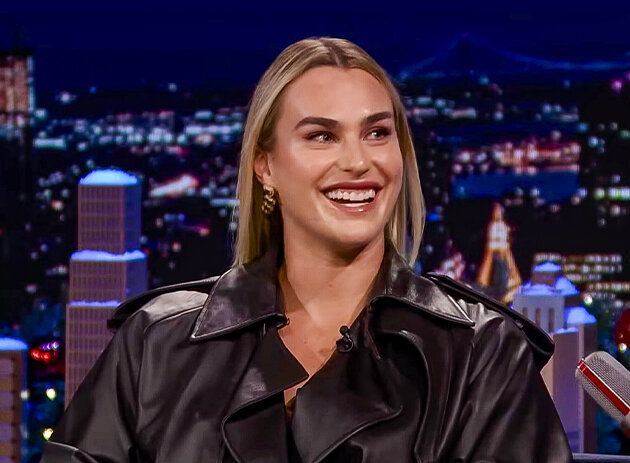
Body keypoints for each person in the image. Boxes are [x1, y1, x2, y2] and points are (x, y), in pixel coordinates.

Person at [41, 37, 573, 462]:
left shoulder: (481, 351)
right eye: (322, 136)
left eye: (377, 133)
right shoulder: (155, 343)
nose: (358, 162)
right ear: (265, 166)